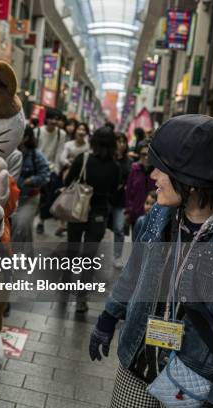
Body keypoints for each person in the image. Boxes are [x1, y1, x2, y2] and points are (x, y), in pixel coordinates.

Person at [89, 114, 213, 408]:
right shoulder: (159, 216)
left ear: (192, 181)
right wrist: (109, 316)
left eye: (162, 169)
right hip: (138, 359)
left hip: (191, 382)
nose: (153, 176)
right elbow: (134, 271)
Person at [63, 126, 121, 313]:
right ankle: (81, 300)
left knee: (72, 249)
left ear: (93, 141)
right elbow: (114, 191)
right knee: (89, 257)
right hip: (99, 213)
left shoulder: (83, 159)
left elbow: (68, 182)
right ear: (113, 144)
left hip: (78, 210)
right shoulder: (115, 167)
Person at [12, 126, 51, 244]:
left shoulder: (36, 155)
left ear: (26, 138)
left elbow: (45, 175)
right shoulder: (10, 152)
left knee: (21, 226)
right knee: (21, 229)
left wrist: (32, 180)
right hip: (11, 200)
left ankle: (9, 258)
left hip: (28, 199)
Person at [35, 108, 67, 234]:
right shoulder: (37, 132)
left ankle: (41, 222)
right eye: (51, 118)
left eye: (56, 119)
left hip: (51, 170)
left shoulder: (61, 134)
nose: (53, 121)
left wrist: (56, 171)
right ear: (46, 119)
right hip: (37, 169)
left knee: (46, 198)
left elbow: (59, 154)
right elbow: (35, 151)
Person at [110, 132, 132, 268]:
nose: (121, 144)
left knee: (119, 229)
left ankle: (117, 256)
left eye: (124, 141)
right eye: (118, 141)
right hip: (106, 198)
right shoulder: (108, 158)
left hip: (120, 200)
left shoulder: (129, 162)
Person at [125, 141, 156, 235]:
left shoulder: (157, 171)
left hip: (154, 215)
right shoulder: (134, 169)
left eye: (149, 154)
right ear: (139, 155)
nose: (146, 157)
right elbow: (129, 192)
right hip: (136, 213)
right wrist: (128, 211)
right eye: (143, 154)